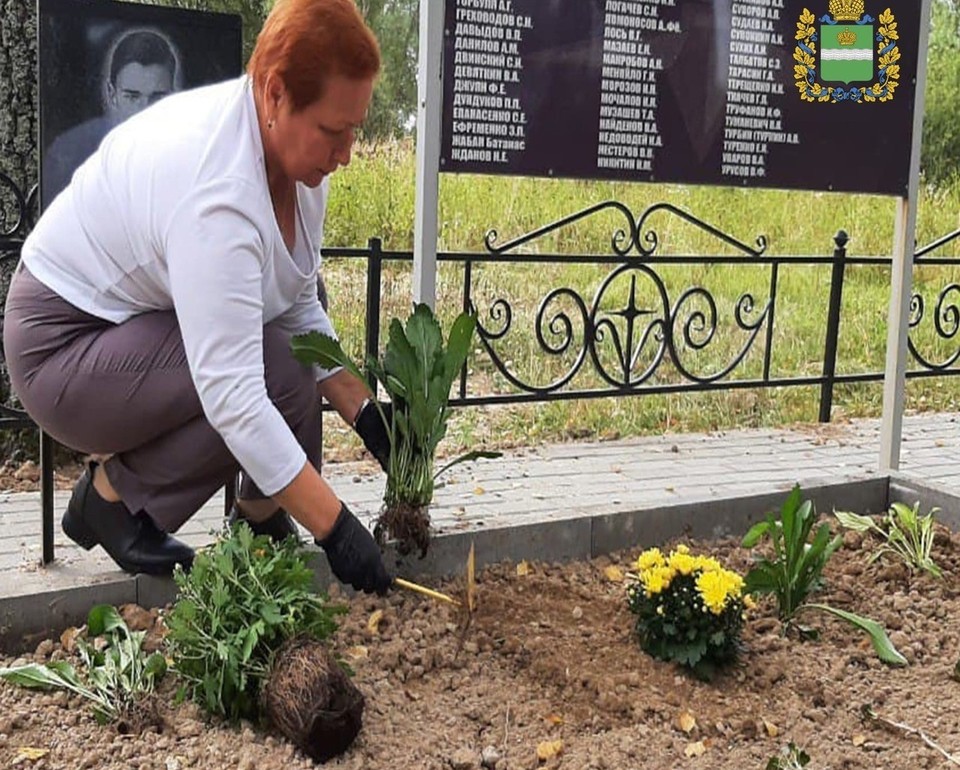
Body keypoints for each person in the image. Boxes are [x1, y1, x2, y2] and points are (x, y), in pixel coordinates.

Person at [3, 0, 393, 595]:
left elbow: (295, 304)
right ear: (275, 94)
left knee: (285, 365)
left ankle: (259, 522)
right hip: (63, 347)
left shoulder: (298, 168)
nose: (345, 154)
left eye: (354, 130)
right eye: (333, 131)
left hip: (137, 328)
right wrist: (336, 529)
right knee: (266, 371)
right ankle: (111, 500)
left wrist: (367, 414)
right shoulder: (218, 191)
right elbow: (233, 395)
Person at [42, 28, 178, 207]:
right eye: (132, 97)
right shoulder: (68, 156)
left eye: (157, 97)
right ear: (111, 94)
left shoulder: (194, 160)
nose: (144, 110)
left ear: (173, 96)